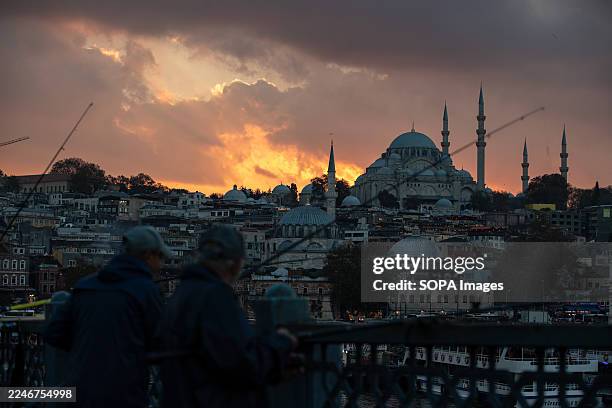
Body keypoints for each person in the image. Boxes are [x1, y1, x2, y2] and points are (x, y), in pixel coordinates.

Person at [158, 224, 298, 408]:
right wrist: (281, 344)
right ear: (234, 263)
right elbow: (240, 363)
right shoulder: (214, 296)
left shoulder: (181, 293)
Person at [45, 225, 170, 408]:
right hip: (122, 394)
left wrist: (87, 346)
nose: (162, 264)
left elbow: (54, 332)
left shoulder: (86, 285)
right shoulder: (146, 291)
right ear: (148, 255)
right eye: (160, 257)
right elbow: (160, 342)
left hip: (77, 391)